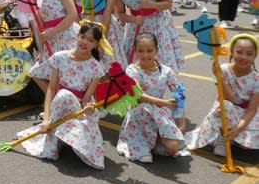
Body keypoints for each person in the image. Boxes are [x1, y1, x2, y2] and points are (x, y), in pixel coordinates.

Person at [16, 22, 107, 168]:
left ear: (96, 44)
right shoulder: (60, 57)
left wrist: (88, 109)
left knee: (89, 147)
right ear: (77, 36)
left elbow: (86, 100)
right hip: (60, 105)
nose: (85, 42)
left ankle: (66, 136)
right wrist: (46, 119)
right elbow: (51, 89)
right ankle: (58, 137)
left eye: (90, 40)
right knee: (63, 95)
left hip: (78, 110)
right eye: (83, 37)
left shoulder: (96, 68)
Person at [116, 33, 189, 163]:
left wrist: (182, 124)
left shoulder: (166, 71)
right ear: (135, 51)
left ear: (157, 50)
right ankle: (141, 147)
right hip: (139, 113)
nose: (145, 55)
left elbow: (178, 96)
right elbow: (138, 96)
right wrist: (164, 103)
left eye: (149, 51)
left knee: (173, 149)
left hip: (160, 113)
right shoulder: (131, 70)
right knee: (144, 108)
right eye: (141, 51)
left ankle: (152, 142)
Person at [185, 34, 258, 156]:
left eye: (249, 54)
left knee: (248, 146)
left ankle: (234, 137)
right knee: (227, 105)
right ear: (232, 52)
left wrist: (239, 129)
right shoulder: (223, 69)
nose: (244, 57)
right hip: (224, 110)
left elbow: (252, 110)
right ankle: (222, 140)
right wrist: (220, 78)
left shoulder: (257, 79)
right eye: (239, 52)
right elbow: (229, 98)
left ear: (255, 56)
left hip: (245, 114)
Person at [28, 0, 78, 94]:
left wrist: (53, 32)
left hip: (65, 36)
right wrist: (42, 51)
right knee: (36, 73)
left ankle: (70, 106)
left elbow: (72, 14)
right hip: (49, 39)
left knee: (67, 75)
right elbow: (40, 23)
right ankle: (56, 103)